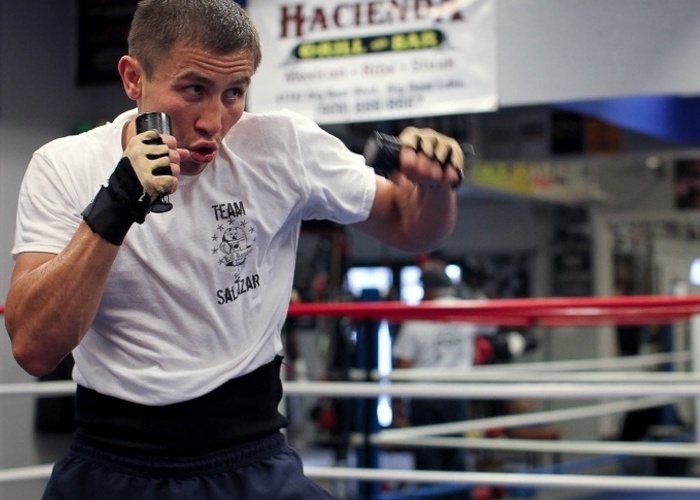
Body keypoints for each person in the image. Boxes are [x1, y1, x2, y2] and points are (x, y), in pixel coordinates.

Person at [3, 1, 465, 499]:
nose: (213, 121)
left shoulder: (281, 145)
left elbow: (409, 226)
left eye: (234, 92)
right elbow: (34, 348)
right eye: (194, 89)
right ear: (133, 78)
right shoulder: (65, 165)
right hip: (113, 463)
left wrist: (433, 185)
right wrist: (116, 203)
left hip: (250, 457)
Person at [392, 267, 477, 498]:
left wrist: (397, 406)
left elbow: (403, 364)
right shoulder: (467, 312)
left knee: (428, 460)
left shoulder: (418, 319)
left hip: (425, 398)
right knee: (455, 456)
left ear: (428, 289)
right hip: (456, 395)